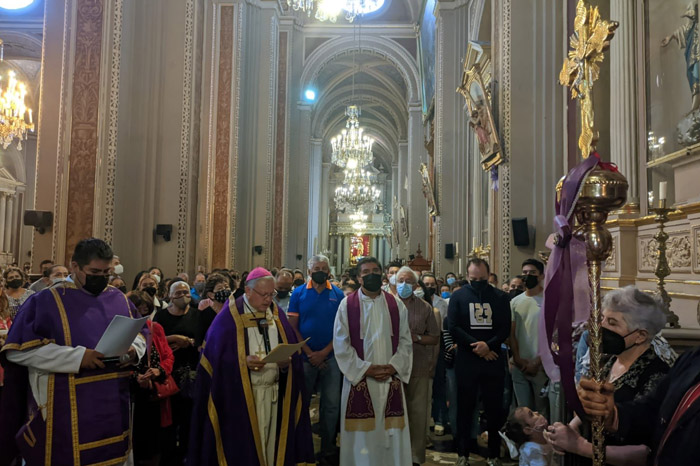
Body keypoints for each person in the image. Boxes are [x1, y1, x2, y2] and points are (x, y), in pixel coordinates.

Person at [0, 238, 146, 465]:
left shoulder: (118, 298)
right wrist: (79, 357)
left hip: (113, 404)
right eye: (94, 272)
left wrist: (134, 350)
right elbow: (18, 351)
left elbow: (140, 332)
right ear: (75, 266)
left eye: (106, 272)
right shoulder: (46, 300)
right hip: (64, 408)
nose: (101, 278)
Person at [188, 267, 314, 465]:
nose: (268, 299)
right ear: (248, 290)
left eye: (271, 294)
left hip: (274, 395)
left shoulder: (277, 315)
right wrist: (242, 363)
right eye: (264, 294)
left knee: (272, 447)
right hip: (242, 399)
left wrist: (285, 365)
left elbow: (292, 357)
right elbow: (213, 360)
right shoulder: (229, 318)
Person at [546, 286, 672, 465]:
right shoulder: (608, 361)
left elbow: (645, 450)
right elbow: (593, 406)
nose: (600, 327)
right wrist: (569, 429)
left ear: (640, 336)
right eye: (602, 319)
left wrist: (579, 446)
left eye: (612, 323)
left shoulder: (658, 375)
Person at [333, 257, 414, 466]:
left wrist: (393, 366)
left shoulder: (395, 304)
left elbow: (405, 340)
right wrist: (365, 369)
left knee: (391, 432)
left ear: (382, 274)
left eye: (376, 271)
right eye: (366, 272)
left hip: (390, 378)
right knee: (362, 437)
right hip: (360, 378)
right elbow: (341, 344)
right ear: (359, 278)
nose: (372, 275)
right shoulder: (347, 305)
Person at [448, 258, 511, 466]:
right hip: (468, 360)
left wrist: (489, 345)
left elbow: (504, 328)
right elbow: (453, 327)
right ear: (467, 276)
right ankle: (463, 453)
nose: (478, 283)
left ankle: (493, 454)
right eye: (474, 279)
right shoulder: (458, 296)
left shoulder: (500, 297)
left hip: (493, 360)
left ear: (488, 275)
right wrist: (478, 347)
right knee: (465, 408)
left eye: (482, 279)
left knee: (494, 409)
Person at [287, 255, 344, 464]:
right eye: (316, 268)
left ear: (329, 271)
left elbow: (342, 329)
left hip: (332, 357)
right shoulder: (299, 293)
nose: (320, 271)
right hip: (305, 357)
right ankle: (302, 446)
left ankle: (328, 447)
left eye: (324, 268)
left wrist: (324, 352)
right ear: (309, 271)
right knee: (301, 403)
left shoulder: (337, 294)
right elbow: (293, 327)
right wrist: (310, 353)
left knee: (331, 405)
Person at [395, 267, 439, 465]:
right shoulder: (387, 304)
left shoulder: (424, 307)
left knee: (418, 413)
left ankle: (415, 457)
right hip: (392, 367)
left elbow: (434, 337)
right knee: (394, 412)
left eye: (408, 281)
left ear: (415, 285)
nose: (404, 285)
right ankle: (395, 455)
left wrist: (417, 338)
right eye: (400, 281)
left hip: (417, 364)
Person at [127, 290, 175, 466]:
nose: (142, 316)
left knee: (154, 443)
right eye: (138, 311)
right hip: (130, 395)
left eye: (145, 311)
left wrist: (159, 371)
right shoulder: (123, 331)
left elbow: (168, 356)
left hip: (153, 392)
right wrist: (136, 377)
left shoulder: (155, 328)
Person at [153, 281, 199, 466]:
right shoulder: (161, 316)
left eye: (186, 292)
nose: (183, 296)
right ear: (170, 296)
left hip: (190, 374)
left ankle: (186, 455)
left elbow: (203, 339)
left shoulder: (196, 315)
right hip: (169, 374)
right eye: (178, 293)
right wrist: (173, 338)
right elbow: (154, 340)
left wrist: (188, 341)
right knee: (169, 420)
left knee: (188, 418)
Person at [510, 259, 548, 417]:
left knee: (541, 412)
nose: (528, 276)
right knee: (523, 412)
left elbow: (552, 335)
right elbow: (512, 333)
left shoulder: (548, 300)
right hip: (520, 365)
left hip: (541, 365)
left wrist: (537, 361)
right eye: (525, 273)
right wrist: (517, 359)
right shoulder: (515, 302)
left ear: (541, 276)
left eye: (532, 273)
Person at [195, 272, 231, 348]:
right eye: (220, 288)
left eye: (226, 287)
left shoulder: (233, 311)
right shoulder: (205, 314)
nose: (225, 290)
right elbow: (199, 342)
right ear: (211, 295)